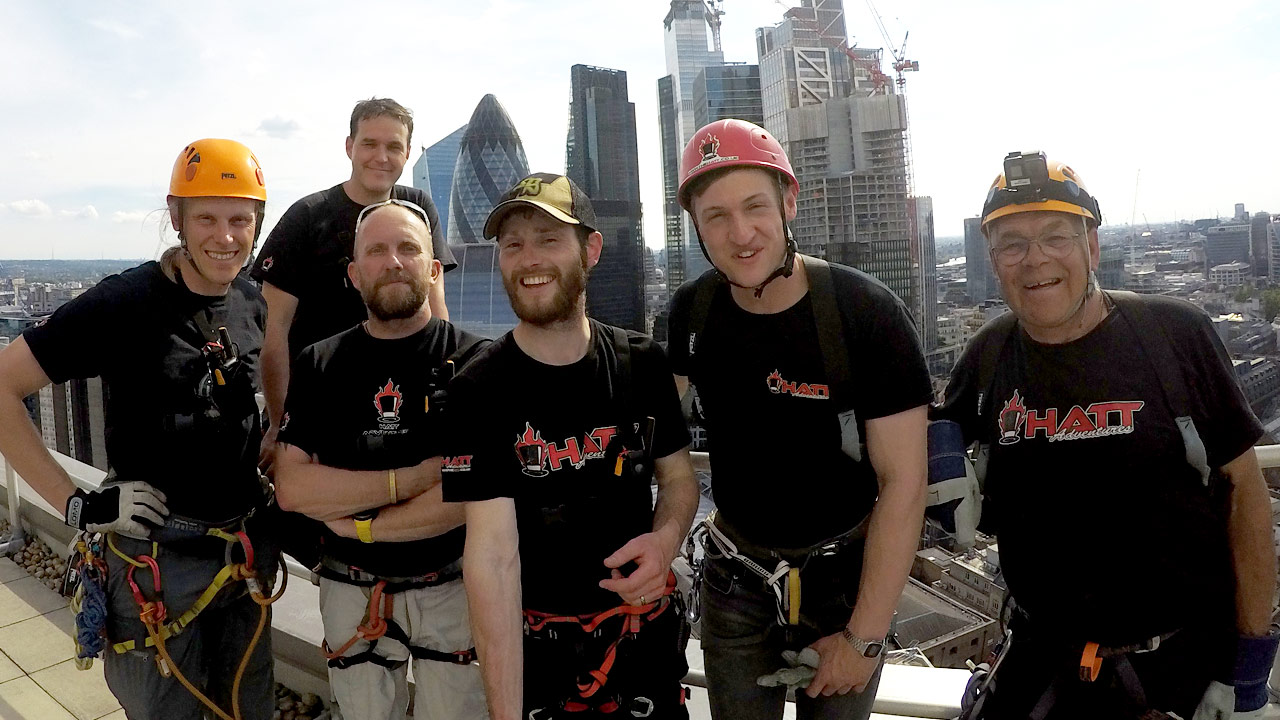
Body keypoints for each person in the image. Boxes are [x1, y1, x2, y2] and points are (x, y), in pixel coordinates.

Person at [933, 151, 1279, 720]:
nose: (1034, 259)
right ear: (993, 261)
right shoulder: (989, 356)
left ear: (1091, 246)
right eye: (1011, 243)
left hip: (1176, 665)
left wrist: (1247, 666)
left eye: (1055, 236)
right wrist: (937, 449)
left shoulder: (1175, 335)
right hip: (1042, 660)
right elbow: (923, 433)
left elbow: (1246, 497)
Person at [0, 138, 280, 720]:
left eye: (239, 220)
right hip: (157, 562)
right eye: (206, 217)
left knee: (245, 707)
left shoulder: (250, 302)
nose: (225, 237)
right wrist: (77, 504)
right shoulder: (124, 304)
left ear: (257, 224)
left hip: (241, 554)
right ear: (175, 217)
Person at [665, 118, 931, 720]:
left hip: (843, 588)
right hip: (737, 581)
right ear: (697, 227)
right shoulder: (693, 313)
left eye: (755, 206)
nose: (741, 233)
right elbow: (646, 430)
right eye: (716, 216)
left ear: (789, 201)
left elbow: (904, 484)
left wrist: (863, 640)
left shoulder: (865, 315)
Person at [440, 173, 700, 720]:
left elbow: (678, 479)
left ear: (592, 249)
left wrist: (666, 539)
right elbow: (491, 555)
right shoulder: (477, 390)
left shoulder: (641, 363)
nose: (529, 258)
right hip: (545, 663)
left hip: (642, 653)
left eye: (549, 239)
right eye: (513, 244)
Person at [273, 199, 488, 720]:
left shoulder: (476, 361)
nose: (392, 261)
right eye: (376, 250)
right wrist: (414, 477)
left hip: (453, 586)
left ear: (433, 268)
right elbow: (294, 490)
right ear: (353, 273)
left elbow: (466, 497)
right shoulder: (320, 362)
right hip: (350, 591)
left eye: (408, 249)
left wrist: (357, 526)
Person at [251, 97, 457, 465]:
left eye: (394, 146)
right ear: (349, 147)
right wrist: (280, 425)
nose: (382, 156)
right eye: (369, 144)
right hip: (323, 402)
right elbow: (274, 332)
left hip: (399, 401)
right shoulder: (308, 217)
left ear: (408, 153)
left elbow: (437, 311)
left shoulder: (418, 208)